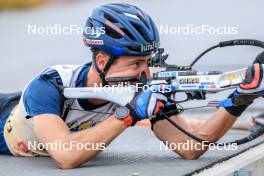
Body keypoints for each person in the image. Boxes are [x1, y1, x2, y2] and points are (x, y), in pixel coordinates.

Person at [0, 3, 263, 169]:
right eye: (136, 63)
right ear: (102, 60)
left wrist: (240, 100)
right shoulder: (50, 85)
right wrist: (129, 115)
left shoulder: (145, 86)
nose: (145, 73)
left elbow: (189, 147)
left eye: (148, 62)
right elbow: (66, 156)